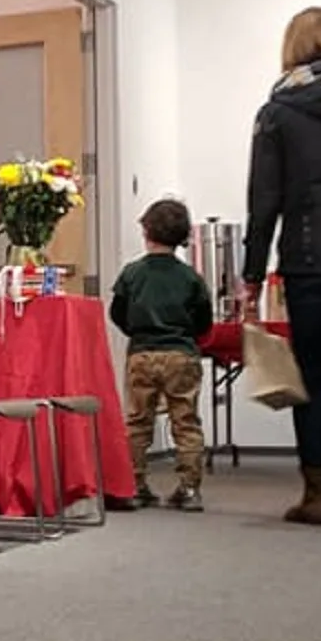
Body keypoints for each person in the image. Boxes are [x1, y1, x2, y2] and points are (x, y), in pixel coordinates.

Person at [241, 6, 321, 526]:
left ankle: (316, 488)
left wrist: (251, 274)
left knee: (310, 372)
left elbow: (263, 200)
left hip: (308, 258)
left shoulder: (277, 112)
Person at [109, 197, 213, 512]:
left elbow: (118, 312)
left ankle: (135, 485)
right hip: (181, 353)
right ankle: (189, 488)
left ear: (146, 231)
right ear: (183, 236)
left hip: (142, 352)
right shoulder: (191, 277)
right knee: (186, 420)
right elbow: (204, 320)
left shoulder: (132, 273)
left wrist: (137, 331)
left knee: (139, 421)